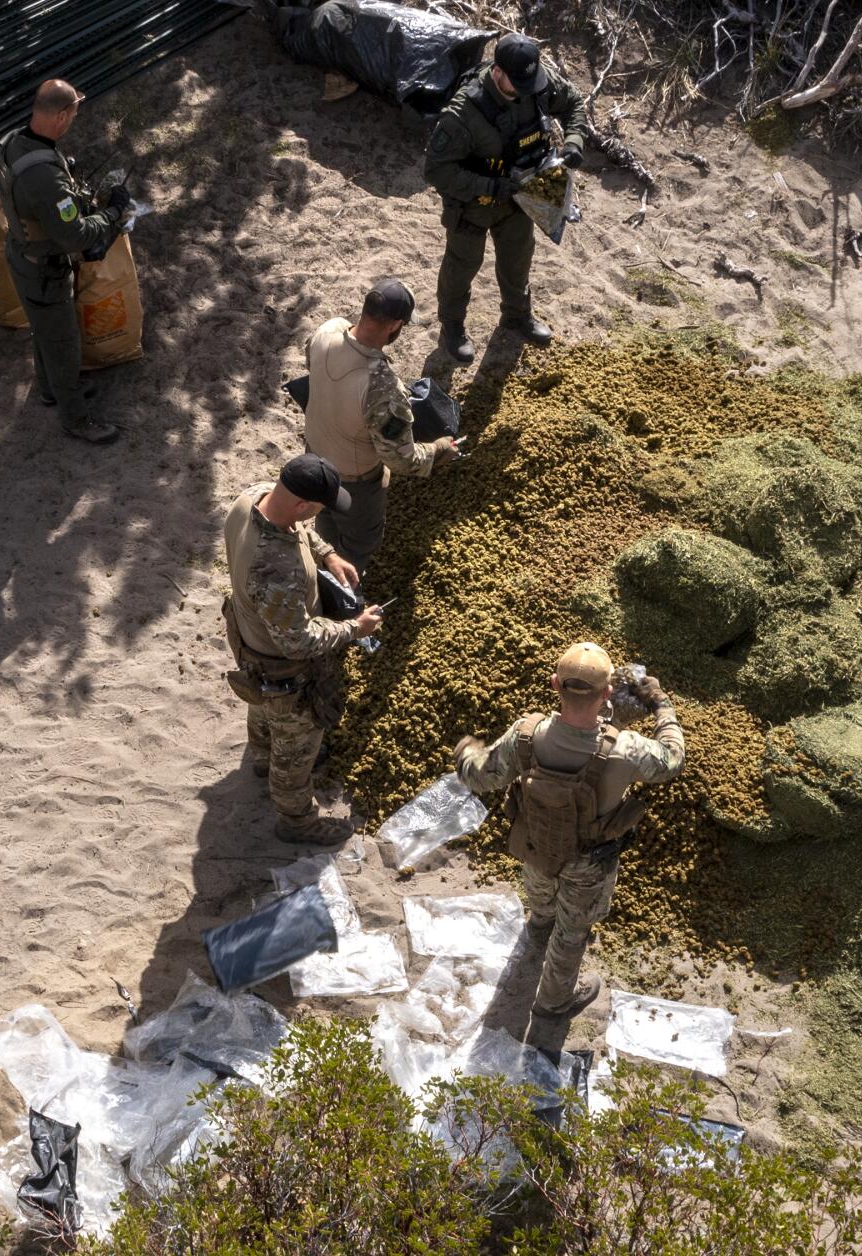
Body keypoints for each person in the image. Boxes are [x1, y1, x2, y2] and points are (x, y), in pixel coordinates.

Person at [453, 642, 684, 1019]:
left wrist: (465, 751)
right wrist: (661, 705)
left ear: (555, 684)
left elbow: (481, 777)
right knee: (572, 933)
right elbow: (673, 758)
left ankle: (540, 922)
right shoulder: (627, 749)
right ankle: (554, 1001)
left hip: (536, 843)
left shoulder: (525, 734)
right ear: (607, 693)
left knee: (541, 895)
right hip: (588, 862)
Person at [223, 454, 386, 843]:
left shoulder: (253, 498)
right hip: (282, 668)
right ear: (301, 504)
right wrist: (354, 627)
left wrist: (327, 554)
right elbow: (298, 642)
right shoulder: (275, 568)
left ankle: (261, 757)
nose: (315, 516)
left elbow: (299, 530)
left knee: (260, 706)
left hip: (249, 640)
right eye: (317, 509)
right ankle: (296, 822)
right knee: (296, 751)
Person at [423, 34, 590, 364]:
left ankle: (516, 315)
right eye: (519, 83)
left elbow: (574, 103)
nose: (528, 90)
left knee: (518, 258)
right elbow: (437, 171)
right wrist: (489, 186)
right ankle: (452, 328)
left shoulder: (536, 83)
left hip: (521, 197)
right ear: (498, 72)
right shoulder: (463, 113)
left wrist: (573, 142)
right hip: (474, 205)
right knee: (462, 266)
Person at [0, 79, 132, 445]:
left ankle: (49, 390)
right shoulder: (46, 177)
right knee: (65, 343)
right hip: (44, 270)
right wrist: (113, 212)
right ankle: (75, 419)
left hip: (22, 257)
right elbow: (75, 236)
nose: (73, 120)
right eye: (72, 113)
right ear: (59, 115)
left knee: (45, 331)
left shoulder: (12, 142)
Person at [301, 279, 460, 571]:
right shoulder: (383, 387)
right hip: (353, 482)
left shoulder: (327, 330)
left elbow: (311, 361)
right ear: (396, 325)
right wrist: (438, 450)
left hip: (314, 457)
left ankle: (322, 562)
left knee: (325, 516)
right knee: (357, 545)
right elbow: (401, 460)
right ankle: (341, 593)